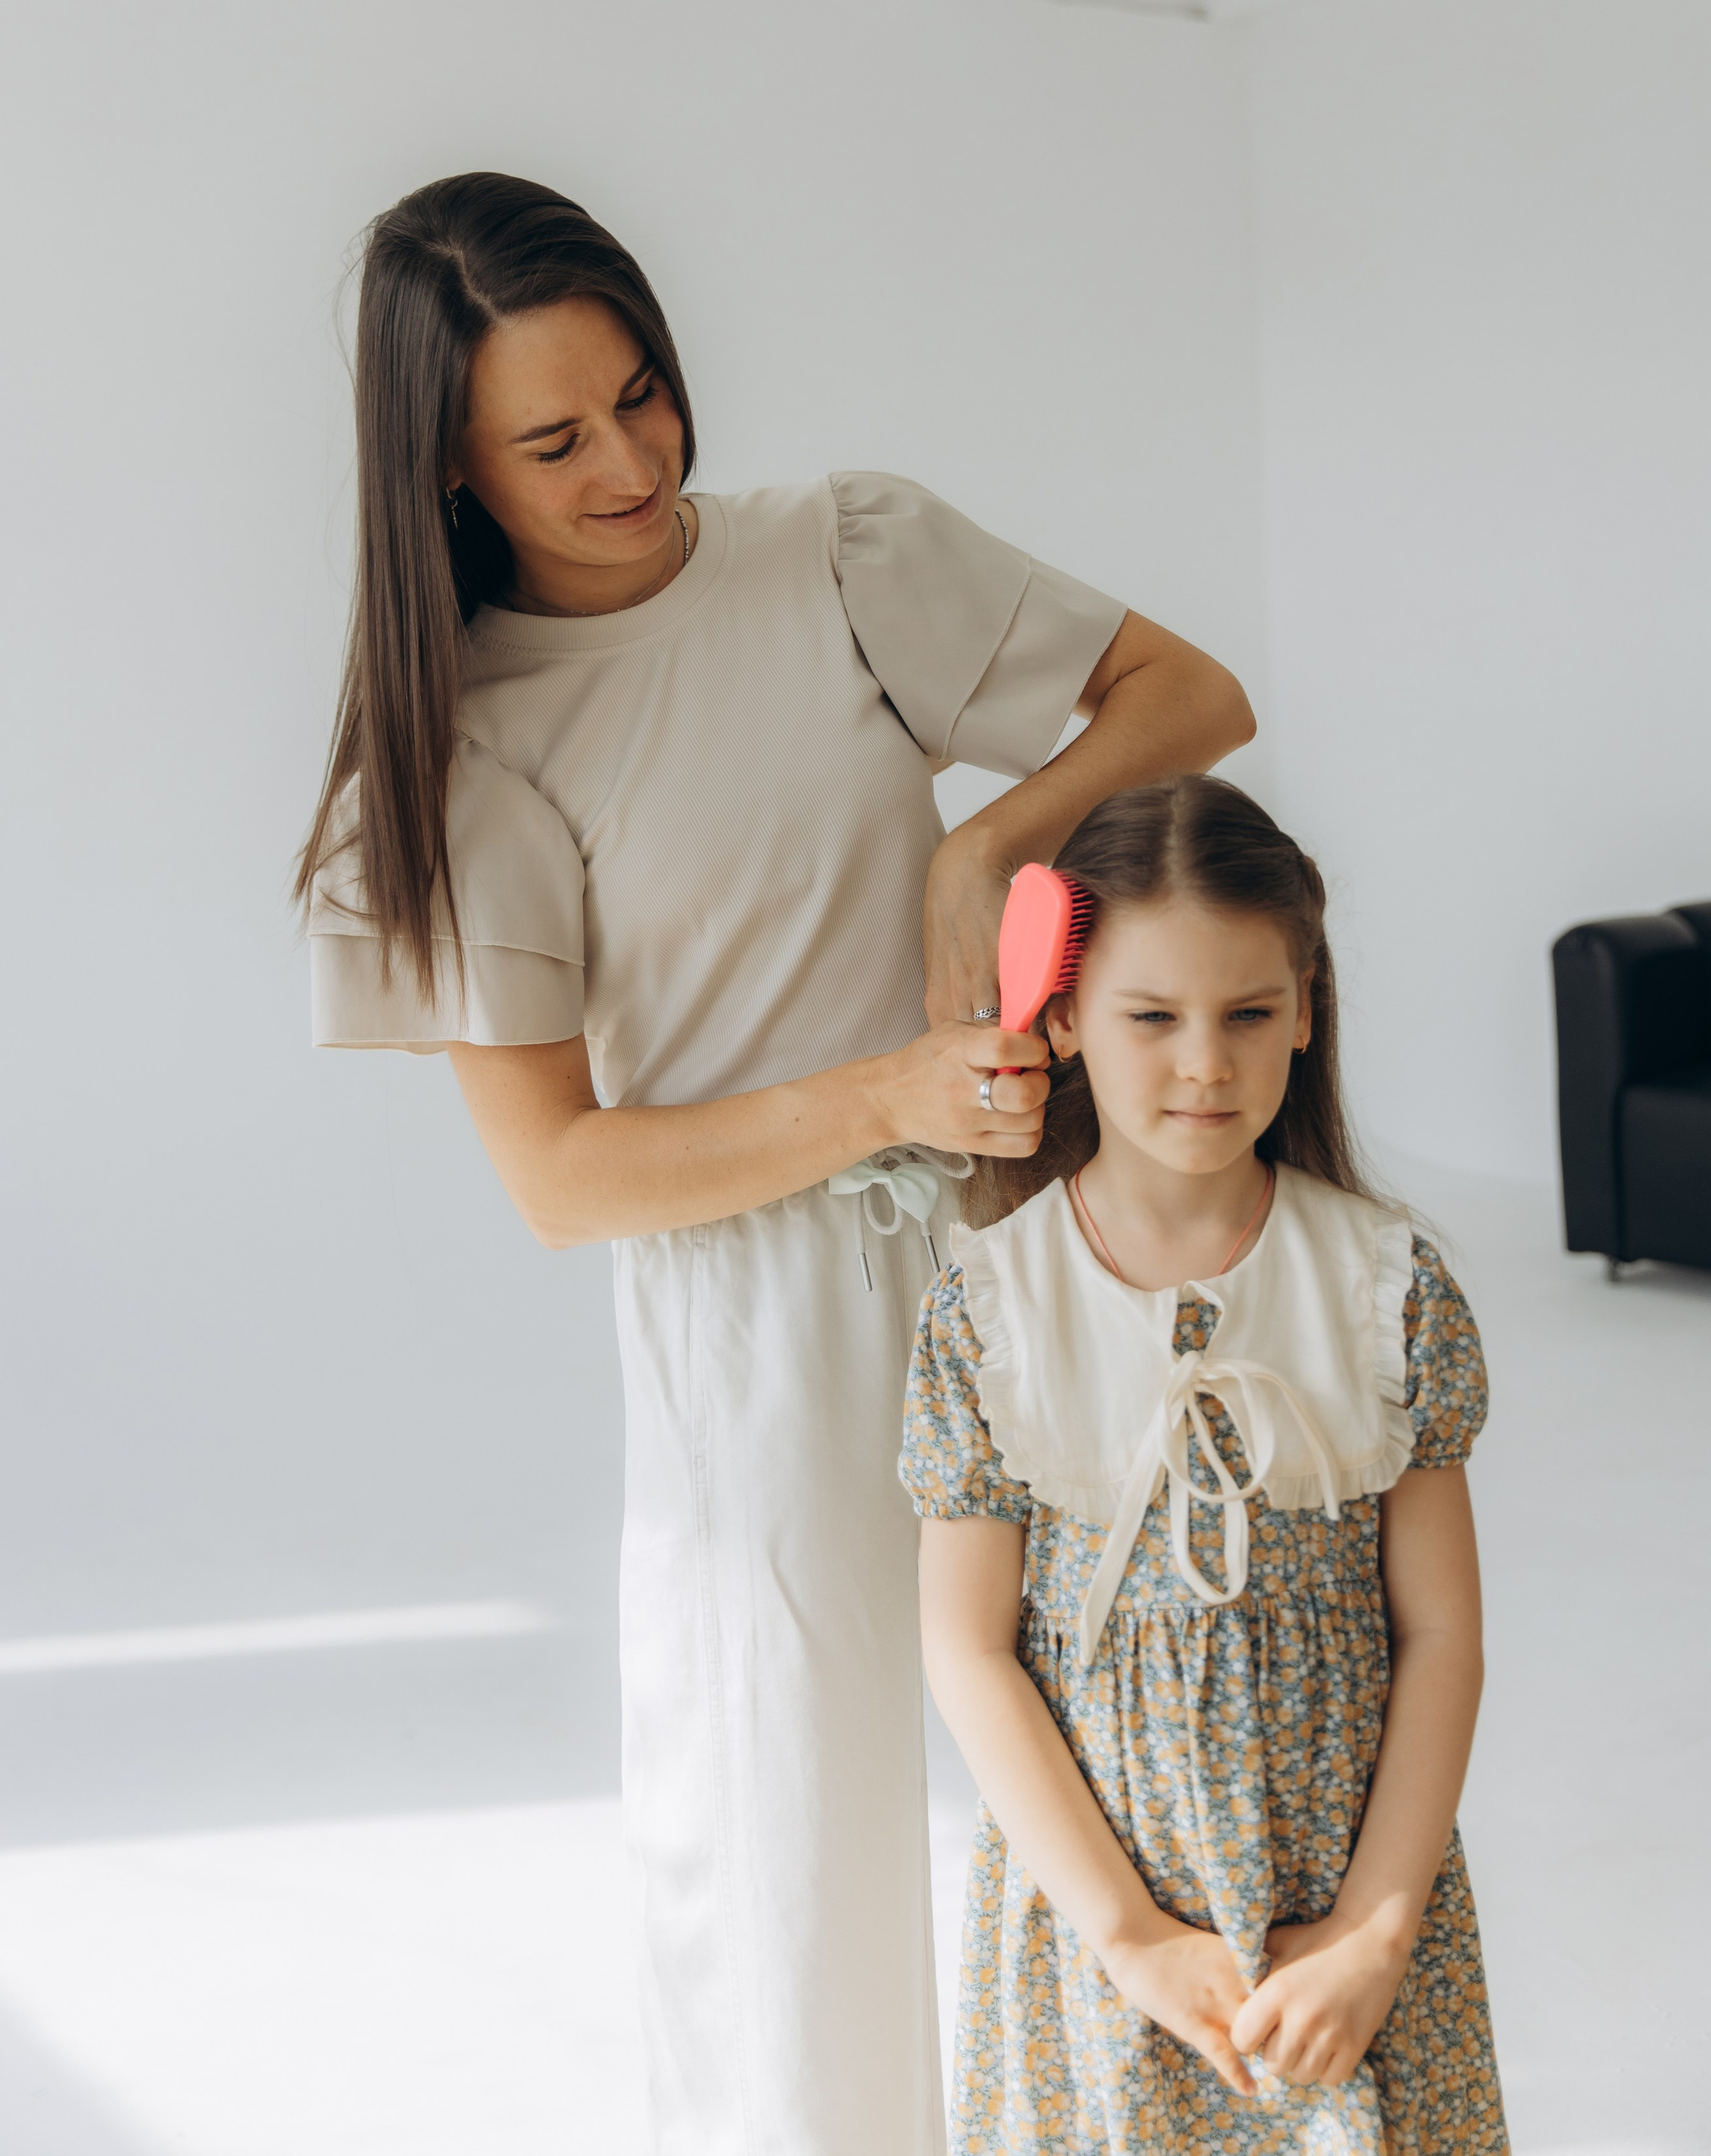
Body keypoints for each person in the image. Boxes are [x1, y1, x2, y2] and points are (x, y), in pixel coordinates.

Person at [295, 173, 1255, 2156]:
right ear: (448, 473)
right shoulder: (471, 746)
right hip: (755, 1317)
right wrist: (887, 1097)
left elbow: (1187, 699)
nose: (633, 462)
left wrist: (988, 844)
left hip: (1023, 1257)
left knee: (1124, 1765)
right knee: (787, 1829)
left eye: (643, 395)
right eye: (553, 443)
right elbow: (561, 1176)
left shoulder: (841, 552)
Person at [904, 774, 1507, 2155]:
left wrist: (1373, 1930)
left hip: (1337, 1915)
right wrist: (1127, 1940)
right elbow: (967, 1651)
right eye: (1149, 1017)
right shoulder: (990, 1310)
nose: (1203, 1065)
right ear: (1059, 1017)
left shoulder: (1382, 1287)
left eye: (1246, 1014)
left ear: (1303, 1008)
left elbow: (1441, 1633)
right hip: (1097, 1922)